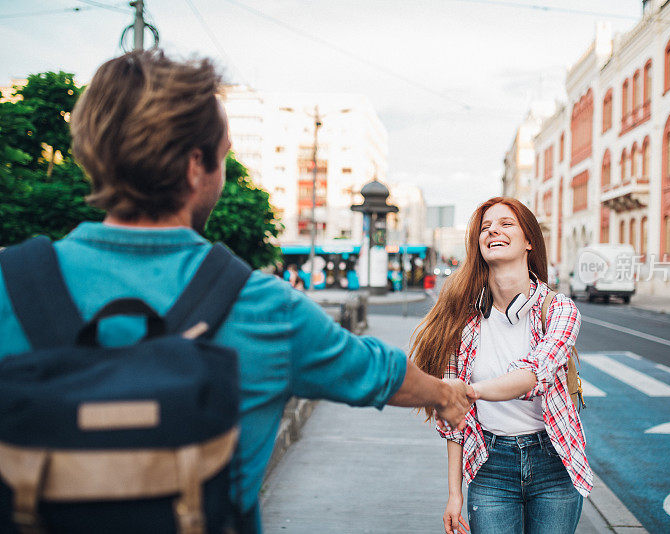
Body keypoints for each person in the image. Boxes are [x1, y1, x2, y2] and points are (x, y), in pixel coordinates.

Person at [0, 50, 475, 532]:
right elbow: (376, 371)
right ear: (194, 166)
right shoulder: (261, 307)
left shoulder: (9, 284)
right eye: (224, 156)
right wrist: (444, 395)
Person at [411, 197, 592, 534]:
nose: (493, 230)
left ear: (528, 242)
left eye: (506, 223)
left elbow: (534, 374)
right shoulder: (462, 322)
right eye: (485, 227)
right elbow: (455, 419)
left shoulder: (559, 310)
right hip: (491, 468)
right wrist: (454, 494)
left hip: (554, 465)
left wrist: (470, 391)